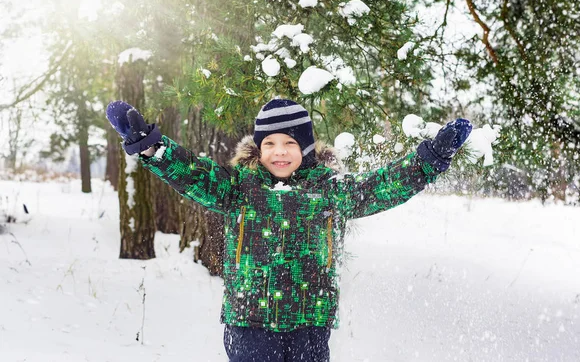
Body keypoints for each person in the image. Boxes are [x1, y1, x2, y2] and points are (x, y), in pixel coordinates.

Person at [106, 98, 472, 362]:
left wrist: (431, 159)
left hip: (310, 325)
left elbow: (383, 185)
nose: (279, 152)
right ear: (258, 148)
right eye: (269, 144)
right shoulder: (239, 189)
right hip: (249, 324)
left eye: (290, 143)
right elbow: (190, 173)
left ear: (307, 147)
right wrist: (151, 146)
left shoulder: (331, 191)